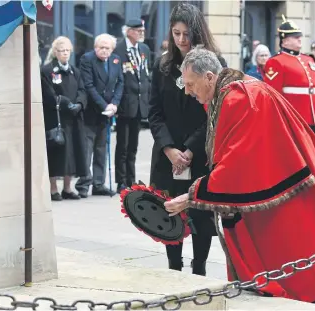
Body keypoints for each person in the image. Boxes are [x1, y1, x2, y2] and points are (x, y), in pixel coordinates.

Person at [164, 46, 315, 305]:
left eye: (191, 84)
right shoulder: (232, 91)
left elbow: (238, 163)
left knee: (292, 256)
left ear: (210, 77)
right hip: (283, 178)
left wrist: (191, 196)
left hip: (285, 185)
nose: (188, 91)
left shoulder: (239, 97)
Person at [148, 2, 226, 276]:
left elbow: (215, 113)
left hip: (200, 150)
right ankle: (173, 266)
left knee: (199, 213)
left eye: (187, 34)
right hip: (167, 153)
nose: (182, 40)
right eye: (177, 33)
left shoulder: (214, 63)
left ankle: (200, 267)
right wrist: (169, 148)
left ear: (197, 33)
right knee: (170, 210)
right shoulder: (163, 64)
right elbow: (154, 112)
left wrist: (190, 150)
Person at [262, 16, 315, 142]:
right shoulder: (276, 62)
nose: (300, 39)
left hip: (314, 115)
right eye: (296, 37)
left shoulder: (308, 60)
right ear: (284, 41)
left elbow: (314, 84)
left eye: (299, 36)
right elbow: (273, 95)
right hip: (293, 116)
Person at [40, 36, 89, 201]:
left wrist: (80, 104)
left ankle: (68, 188)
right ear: (55, 52)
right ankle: (53, 189)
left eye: (67, 50)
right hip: (56, 118)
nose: (65, 54)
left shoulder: (75, 71)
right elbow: (48, 94)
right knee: (56, 153)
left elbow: (83, 90)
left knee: (72, 154)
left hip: (74, 119)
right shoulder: (48, 71)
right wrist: (66, 103)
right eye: (61, 51)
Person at [76, 34, 123, 197]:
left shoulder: (116, 60)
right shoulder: (87, 59)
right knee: (87, 148)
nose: (104, 50)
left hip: (108, 111)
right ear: (95, 48)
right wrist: (105, 105)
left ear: (112, 49)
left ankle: (98, 183)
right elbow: (88, 86)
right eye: (100, 47)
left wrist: (115, 104)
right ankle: (83, 183)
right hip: (92, 110)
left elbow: (120, 83)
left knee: (101, 148)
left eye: (107, 48)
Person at [113, 20, 152, 193]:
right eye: (138, 30)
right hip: (125, 103)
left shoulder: (144, 49)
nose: (141, 33)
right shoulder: (118, 50)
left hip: (140, 103)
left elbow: (146, 75)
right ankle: (121, 180)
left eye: (142, 30)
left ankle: (131, 178)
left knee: (133, 146)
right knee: (122, 145)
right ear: (128, 31)